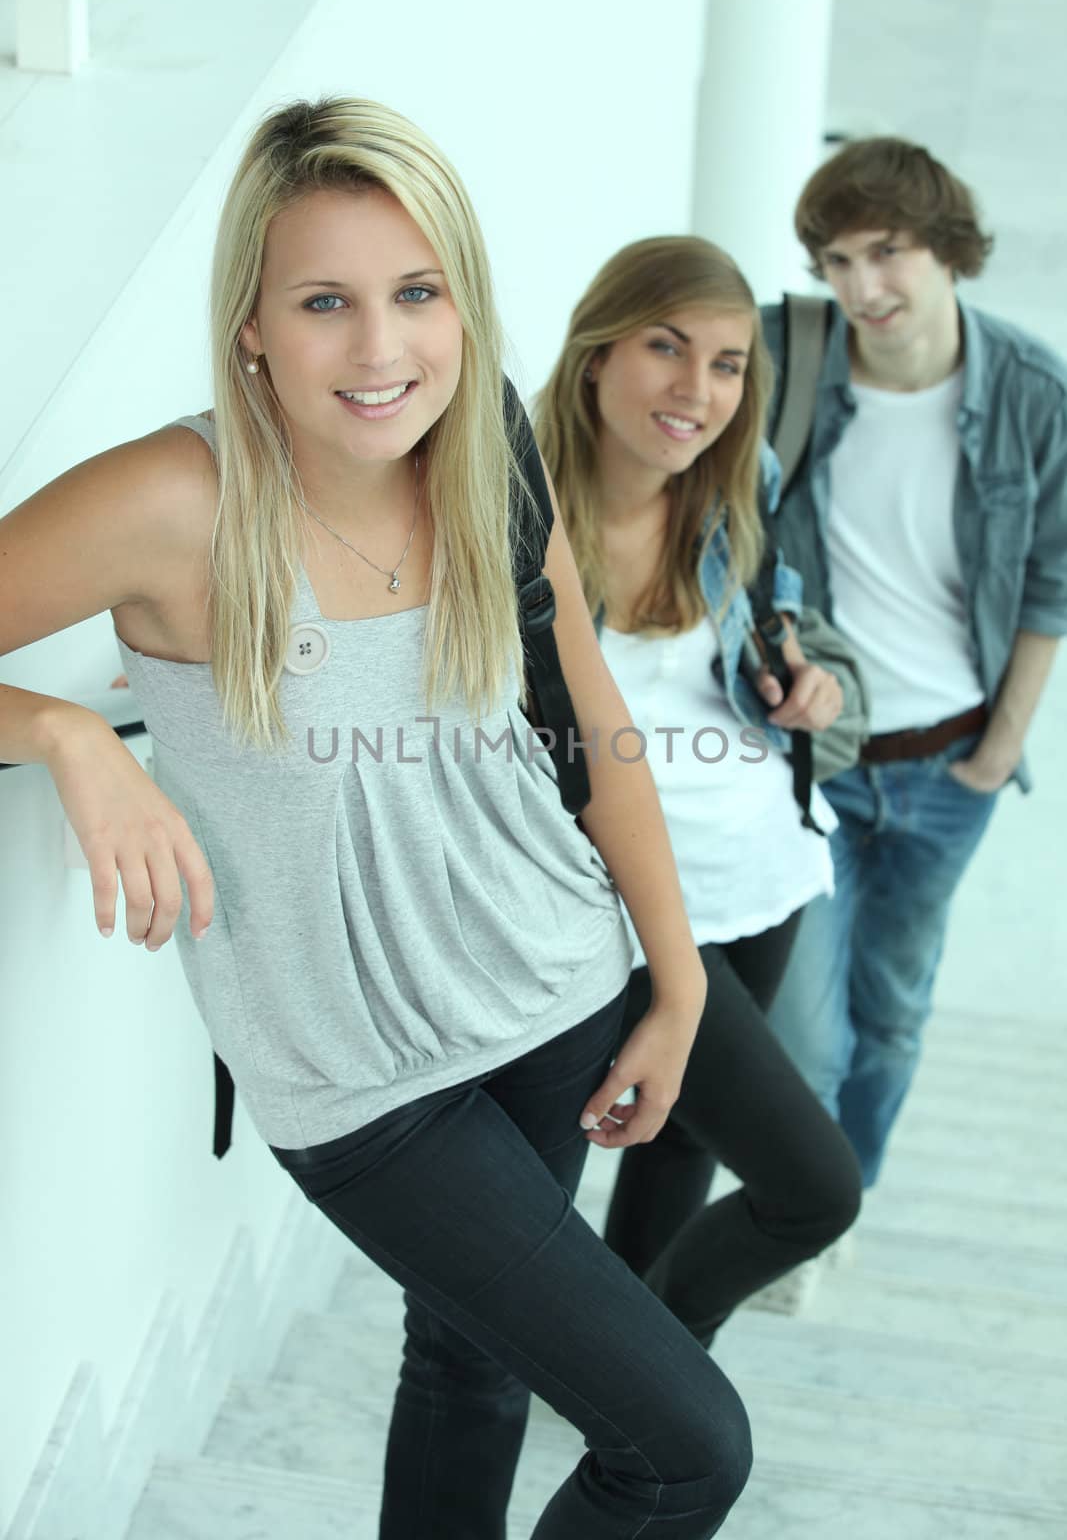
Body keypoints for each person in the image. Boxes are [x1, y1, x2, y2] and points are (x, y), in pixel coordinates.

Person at [0, 99, 755, 1538]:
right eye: (325, 303)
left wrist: (676, 982)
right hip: (361, 1083)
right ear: (252, 328)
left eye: (416, 295)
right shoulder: (177, 502)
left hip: (553, 989)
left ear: (463, 308)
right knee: (683, 1446)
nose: (379, 350)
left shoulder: (486, 467)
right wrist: (61, 729)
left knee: (469, 1372)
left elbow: (595, 737)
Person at [534, 235, 862, 1346]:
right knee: (813, 1191)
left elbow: (774, 637)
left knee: (680, 1141)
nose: (697, 390)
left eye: (726, 364)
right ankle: (651, 1373)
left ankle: (633, 1392)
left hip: (757, 867)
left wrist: (804, 687)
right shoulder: (507, 514)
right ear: (594, 354)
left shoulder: (737, 486)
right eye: (664, 348)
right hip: (623, 909)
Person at [763, 137, 1067, 1188]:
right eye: (836, 261)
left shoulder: (1033, 391)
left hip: (950, 770)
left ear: (944, 249)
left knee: (891, 1013)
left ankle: (836, 1203)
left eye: (885, 252)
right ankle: (790, 1210)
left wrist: (999, 748)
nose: (862, 286)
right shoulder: (780, 360)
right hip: (812, 763)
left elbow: (1050, 583)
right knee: (801, 1038)